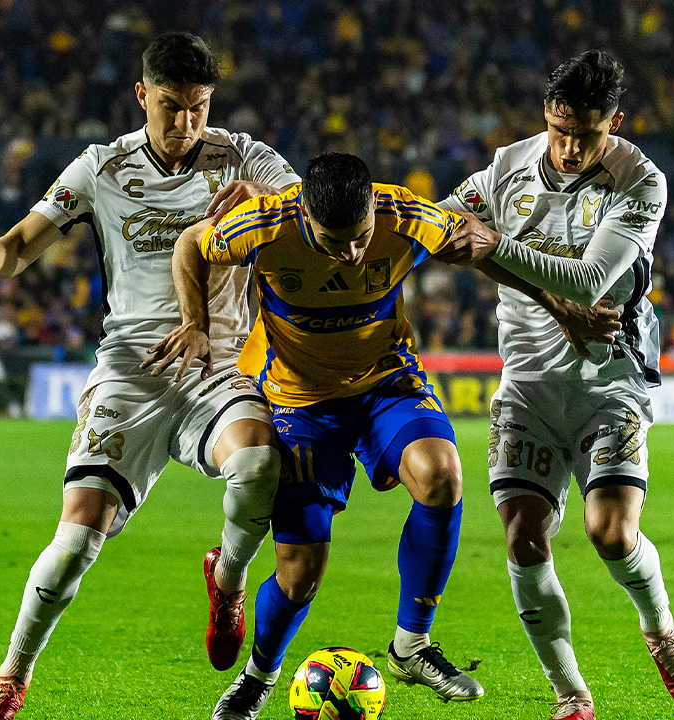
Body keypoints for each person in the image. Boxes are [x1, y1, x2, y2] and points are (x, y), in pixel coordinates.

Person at [0, 32, 302, 720]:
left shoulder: (245, 157)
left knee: (259, 465)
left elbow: (316, 217)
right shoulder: (101, 169)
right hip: (131, 374)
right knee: (76, 539)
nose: (185, 123)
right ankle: (12, 676)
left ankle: (226, 582)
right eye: (171, 107)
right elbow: (15, 249)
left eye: (198, 108)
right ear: (143, 95)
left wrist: (267, 201)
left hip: (219, 365)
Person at [150, 153, 486, 719]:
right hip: (299, 402)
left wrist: (549, 289)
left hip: (386, 381)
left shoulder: (403, 212)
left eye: (362, 239)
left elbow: (478, 241)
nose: (354, 255)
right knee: (301, 571)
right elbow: (189, 243)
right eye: (337, 242)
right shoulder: (262, 224)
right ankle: (260, 676)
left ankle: (413, 645)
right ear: (305, 213)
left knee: (442, 475)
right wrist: (196, 323)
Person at [438, 50, 674, 720]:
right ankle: (571, 695)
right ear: (546, 115)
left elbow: (588, 281)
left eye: (586, 135)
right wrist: (540, 294)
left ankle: (659, 626)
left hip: (610, 381)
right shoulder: (506, 167)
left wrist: (491, 243)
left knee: (611, 534)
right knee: (523, 538)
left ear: (615, 122)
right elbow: (444, 230)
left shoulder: (640, 181)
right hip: (526, 384)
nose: (569, 147)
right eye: (559, 130)